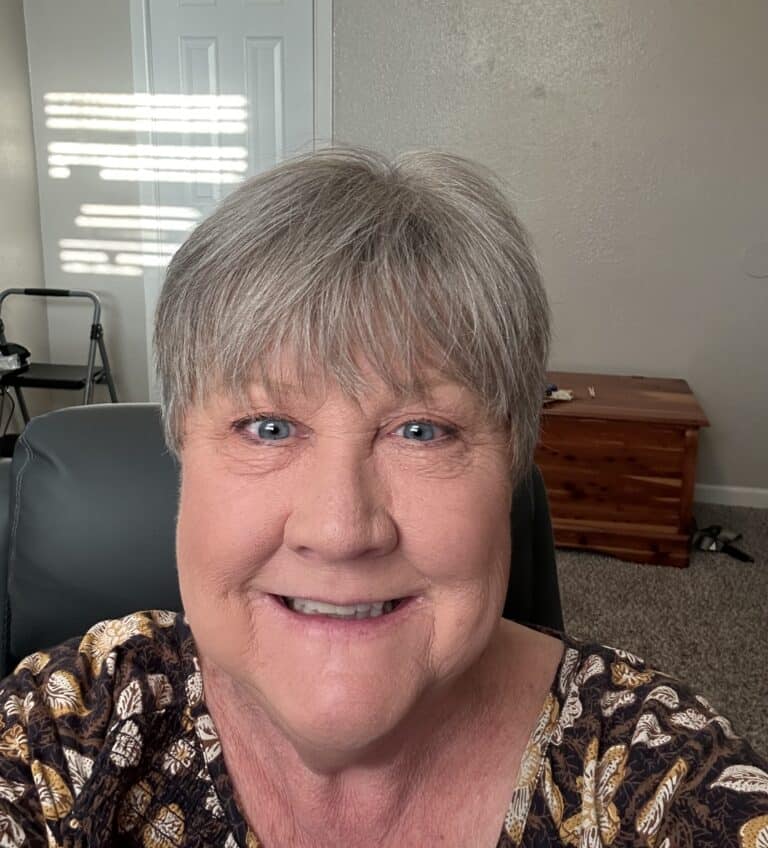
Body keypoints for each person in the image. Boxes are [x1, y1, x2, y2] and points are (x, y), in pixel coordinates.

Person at [0, 147, 765, 847]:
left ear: (511, 465)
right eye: (268, 427)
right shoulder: (66, 731)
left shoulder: (657, 774)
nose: (340, 530)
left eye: (421, 431)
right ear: (181, 456)